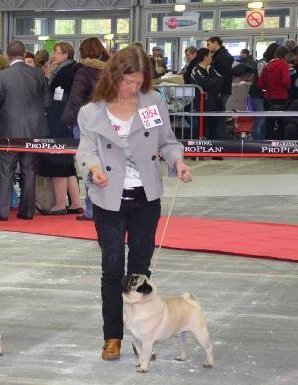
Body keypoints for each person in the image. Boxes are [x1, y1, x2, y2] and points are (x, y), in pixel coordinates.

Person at [75, 46, 193, 361]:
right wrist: (94, 169)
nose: (132, 89)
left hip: (145, 199)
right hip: (109, 200)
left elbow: (167, 141)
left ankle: (142, 339)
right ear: (114, 75)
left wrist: (177, 161)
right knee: (112, 271)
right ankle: (112, 336)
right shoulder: (91, 112)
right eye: (128, 82)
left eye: (139, 83)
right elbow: (86, 152)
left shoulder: (153, 102)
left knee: (140, 271)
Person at [0, 40, 49, 221]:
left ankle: (3, 212)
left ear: (7, 57)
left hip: (8, 129)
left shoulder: (0, 76)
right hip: (35, 130)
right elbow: (47, 102)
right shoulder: (39, 73)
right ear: (24, 55)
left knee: (6, 170)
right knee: (29, 170)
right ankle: (28, 211)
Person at [61, 37, 110, 221]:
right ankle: (104, 207)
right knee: (106, 164)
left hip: (86, 122)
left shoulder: (83, 71)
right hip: (107, 123)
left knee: (88, 165)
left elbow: (76, 98)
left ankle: (91, 210)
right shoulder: (110, 69)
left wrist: (66, 120)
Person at [40, 41, 83, 216]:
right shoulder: (68, 70)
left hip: (58, 123)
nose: (53, 55)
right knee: (68, 166)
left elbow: (59, 100)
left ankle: (59, 204)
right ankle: (76, 203)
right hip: (66, 124)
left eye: (56, 52)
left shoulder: (64, 74)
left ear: (65, 55)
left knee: (58, 164)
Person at [190, 48, 224, 140]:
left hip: (214, 103)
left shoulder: (211, 69)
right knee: (202, 129)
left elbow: (221, 81)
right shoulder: (196, 70)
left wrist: (212, 83)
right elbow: (203, 83)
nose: (211, 58)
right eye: (210, 55)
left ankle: (215, 153)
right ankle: (200, 152)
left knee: (214, 129)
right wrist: (213, 82)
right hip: (202, 104)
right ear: (205, 57)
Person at [258, 46, 291, 140]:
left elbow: (260, 84)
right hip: (281, 98)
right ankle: (278, 147)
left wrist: (268, 88)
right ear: (286, 55)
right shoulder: (284, 64)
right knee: (280, 123)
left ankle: (269, 147)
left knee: (269, 124)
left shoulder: (267, 66)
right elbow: (286, 82)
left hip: (268, 98)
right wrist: (285, 88)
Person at [248, 43, 279, 141]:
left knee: (263, 120)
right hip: (257, 95)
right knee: (259, 120)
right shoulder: (262, 63)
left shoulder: (271, 63)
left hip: (264, 95)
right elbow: (264, 78)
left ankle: (262, 144)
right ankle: (257, 144)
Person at [206, 37, 234, 140]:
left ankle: (221, 142)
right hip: (221, 89)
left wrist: (216, 84)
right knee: (219, 116)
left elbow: (225, 75)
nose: (208, 47)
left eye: (209, 44)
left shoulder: (222, 56)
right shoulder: (220, 55)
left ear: (215, 43)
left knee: (219, 117)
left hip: (221, 90)